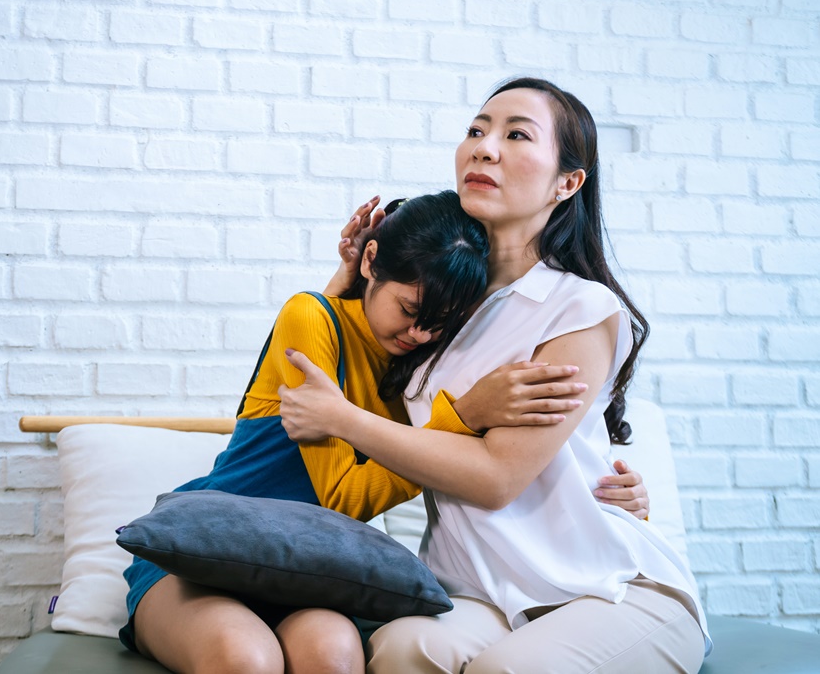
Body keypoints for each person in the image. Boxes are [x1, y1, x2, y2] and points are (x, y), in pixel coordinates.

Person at [279, 77, 710, 673]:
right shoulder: (438, 307)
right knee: (399, 653)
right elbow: (340, 349)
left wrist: (342, 420)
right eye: (477, 131)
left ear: (568, 182)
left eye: (516, 135)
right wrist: (348, 280)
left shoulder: (578, 308)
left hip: (607, 585)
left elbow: (498, 478)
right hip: (481, 593)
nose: (484, 147)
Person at [119, 191, 647, 674]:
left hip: (306, 569)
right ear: (370, 261)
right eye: (410, 311)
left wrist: (605, 491)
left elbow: (505, 460)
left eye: (438, 323)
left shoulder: (420, 375)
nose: (417, 334)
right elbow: (342, 497)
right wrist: (461, 417)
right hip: (205, 555)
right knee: (246, 660)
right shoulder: (310, 315)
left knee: (337, 657)